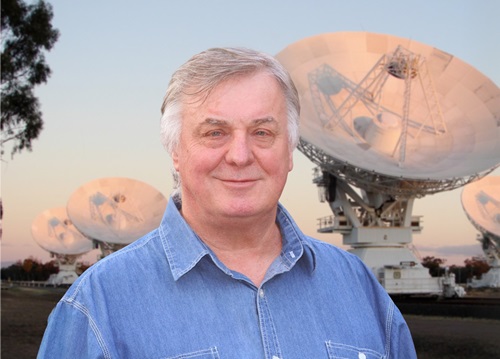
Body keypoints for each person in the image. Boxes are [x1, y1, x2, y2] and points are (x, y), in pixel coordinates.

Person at [38, 47, 417, 358]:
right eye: (214, 132)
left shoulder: (359, 289)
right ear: (175, 151)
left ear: (290, 152)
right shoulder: (98, 306)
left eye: (263, 132)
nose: (239, 155)